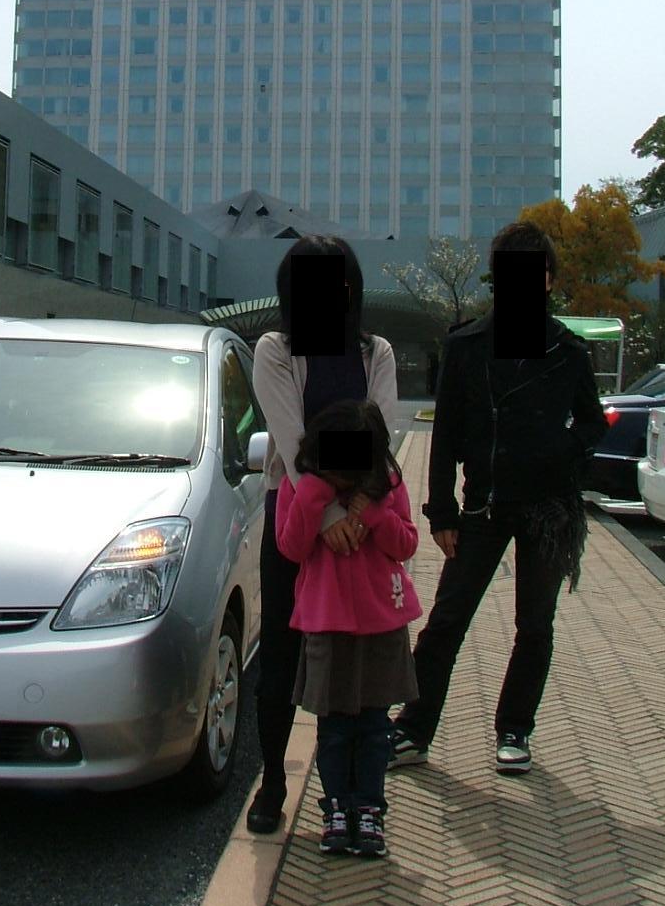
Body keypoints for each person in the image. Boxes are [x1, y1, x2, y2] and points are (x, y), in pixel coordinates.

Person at [389, 221, 609, 775]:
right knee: (447, 620)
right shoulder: (466, 346)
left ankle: (515, 729)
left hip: (549, 510)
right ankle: (413, 728)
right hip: (481, 507)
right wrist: (441, 510)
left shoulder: (567, 350)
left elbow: (592, 421)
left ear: (549, 280)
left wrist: (564, 451)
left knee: (534, 625)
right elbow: (444, 435)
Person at [249, 235, 398, 834]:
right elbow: (294, 444)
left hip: (362, 520)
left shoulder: (376, 352)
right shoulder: (275, 351)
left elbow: (379, 436)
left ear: (349, 289)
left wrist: (357, 512)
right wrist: (331, 515)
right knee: (282, 654)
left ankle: (357, 793)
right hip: (296, 519)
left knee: (358, 650)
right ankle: (273, 781)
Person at [276, 398, 422, 857]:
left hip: (381, 625)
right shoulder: (302, 486)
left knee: (375, 727)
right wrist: (315, 495)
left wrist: (376, 515)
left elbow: (406, 544)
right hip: (328, 625)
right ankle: (337, 807)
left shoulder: (386, 485)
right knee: (334, 729)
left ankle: (370, 808)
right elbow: (291, 548)